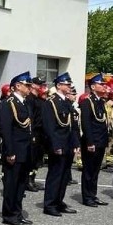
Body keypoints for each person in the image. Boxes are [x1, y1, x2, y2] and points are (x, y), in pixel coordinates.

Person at [41, 72, 78, 216]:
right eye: (67, 84)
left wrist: (75, 143)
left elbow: (72, 125)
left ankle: (59, 201)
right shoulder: (51, 102)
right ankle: (49, 204)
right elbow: (49, 127)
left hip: (68, 144)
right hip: (58, 145)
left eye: (69, 84)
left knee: (64, 176)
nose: (69, 86)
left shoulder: (66, 102)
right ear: (59, 85)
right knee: (55, 175)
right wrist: (55, 145)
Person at [0, 72, 33, 225]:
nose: (29, 88)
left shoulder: (25, 103)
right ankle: (9, 214)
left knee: (21, 184)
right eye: (27, 85)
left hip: (25, 150)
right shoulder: (8, 103)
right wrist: (10, 151)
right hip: (15, 151)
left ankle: (17, 213)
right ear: (17, 86)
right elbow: (6, 130)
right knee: (12, 184)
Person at [79, 73, 110, 207]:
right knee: (89, 170)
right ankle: (87, 197)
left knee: (96, 170)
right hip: (92, 142)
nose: (104, 86)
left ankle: (93, 194)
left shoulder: (100, 102)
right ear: (93, 87)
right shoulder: (87, 102)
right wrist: (90, 142)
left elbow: (103, 122)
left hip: (101, 141)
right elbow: (86, 124)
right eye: (101, 84)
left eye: (104, 84)